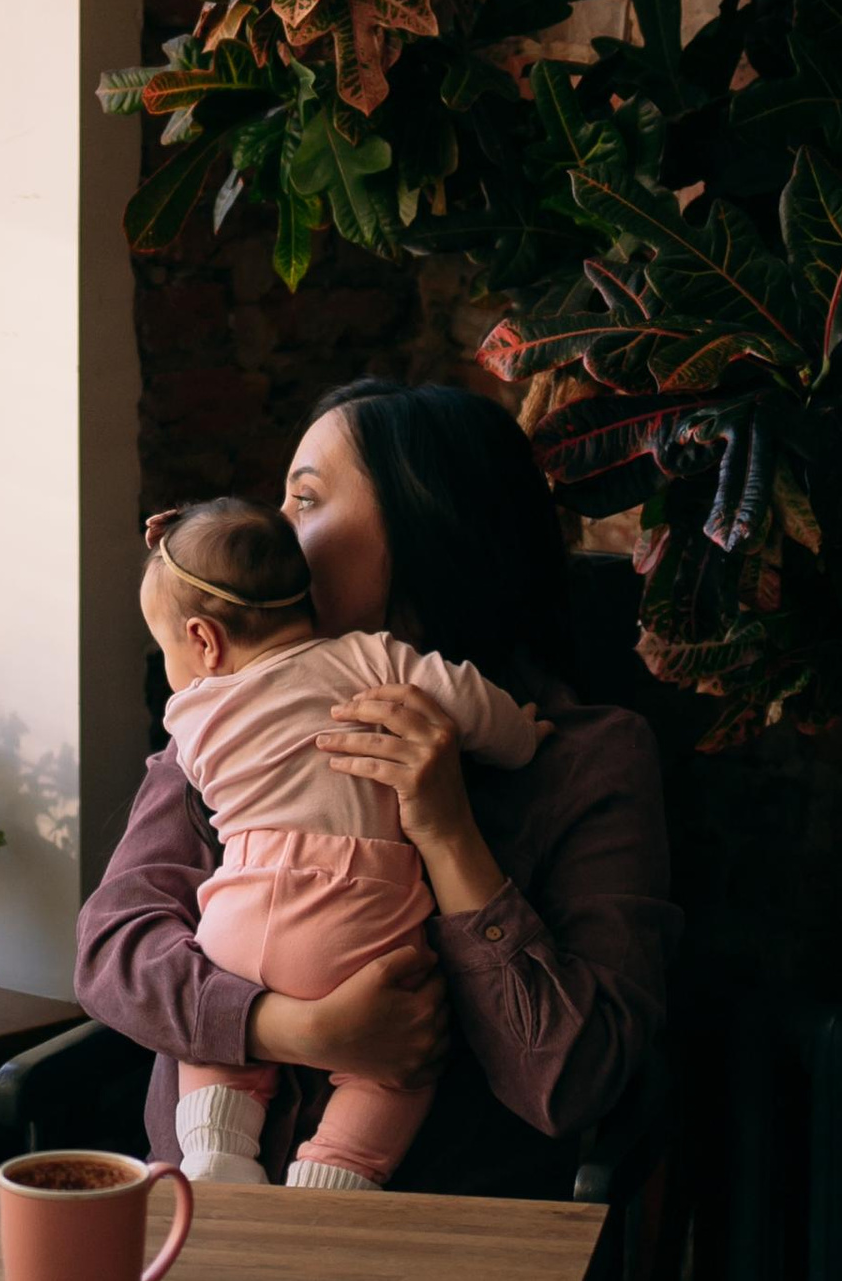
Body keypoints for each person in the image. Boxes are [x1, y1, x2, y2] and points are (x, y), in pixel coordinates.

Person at [76, 378, 678, 1197]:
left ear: (430, 529)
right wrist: (298, 1029)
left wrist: (448, 832)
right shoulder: (222, 719)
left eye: (306, 501)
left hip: (440, 1253)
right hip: (201, 1228)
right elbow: (114, 952)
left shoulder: (584, 759)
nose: (274, 528)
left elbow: (568, 1082)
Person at [141, 493, 549, 1190]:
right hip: (357, 920)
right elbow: (474, 705)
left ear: (205, 641)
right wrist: (520, 738)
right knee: (393, 1068)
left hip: (234, 917)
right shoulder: (371, 661)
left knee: (213, 1036)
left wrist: (177, 552)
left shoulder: (191, 717)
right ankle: (335, 1177)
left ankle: (214, 1151)